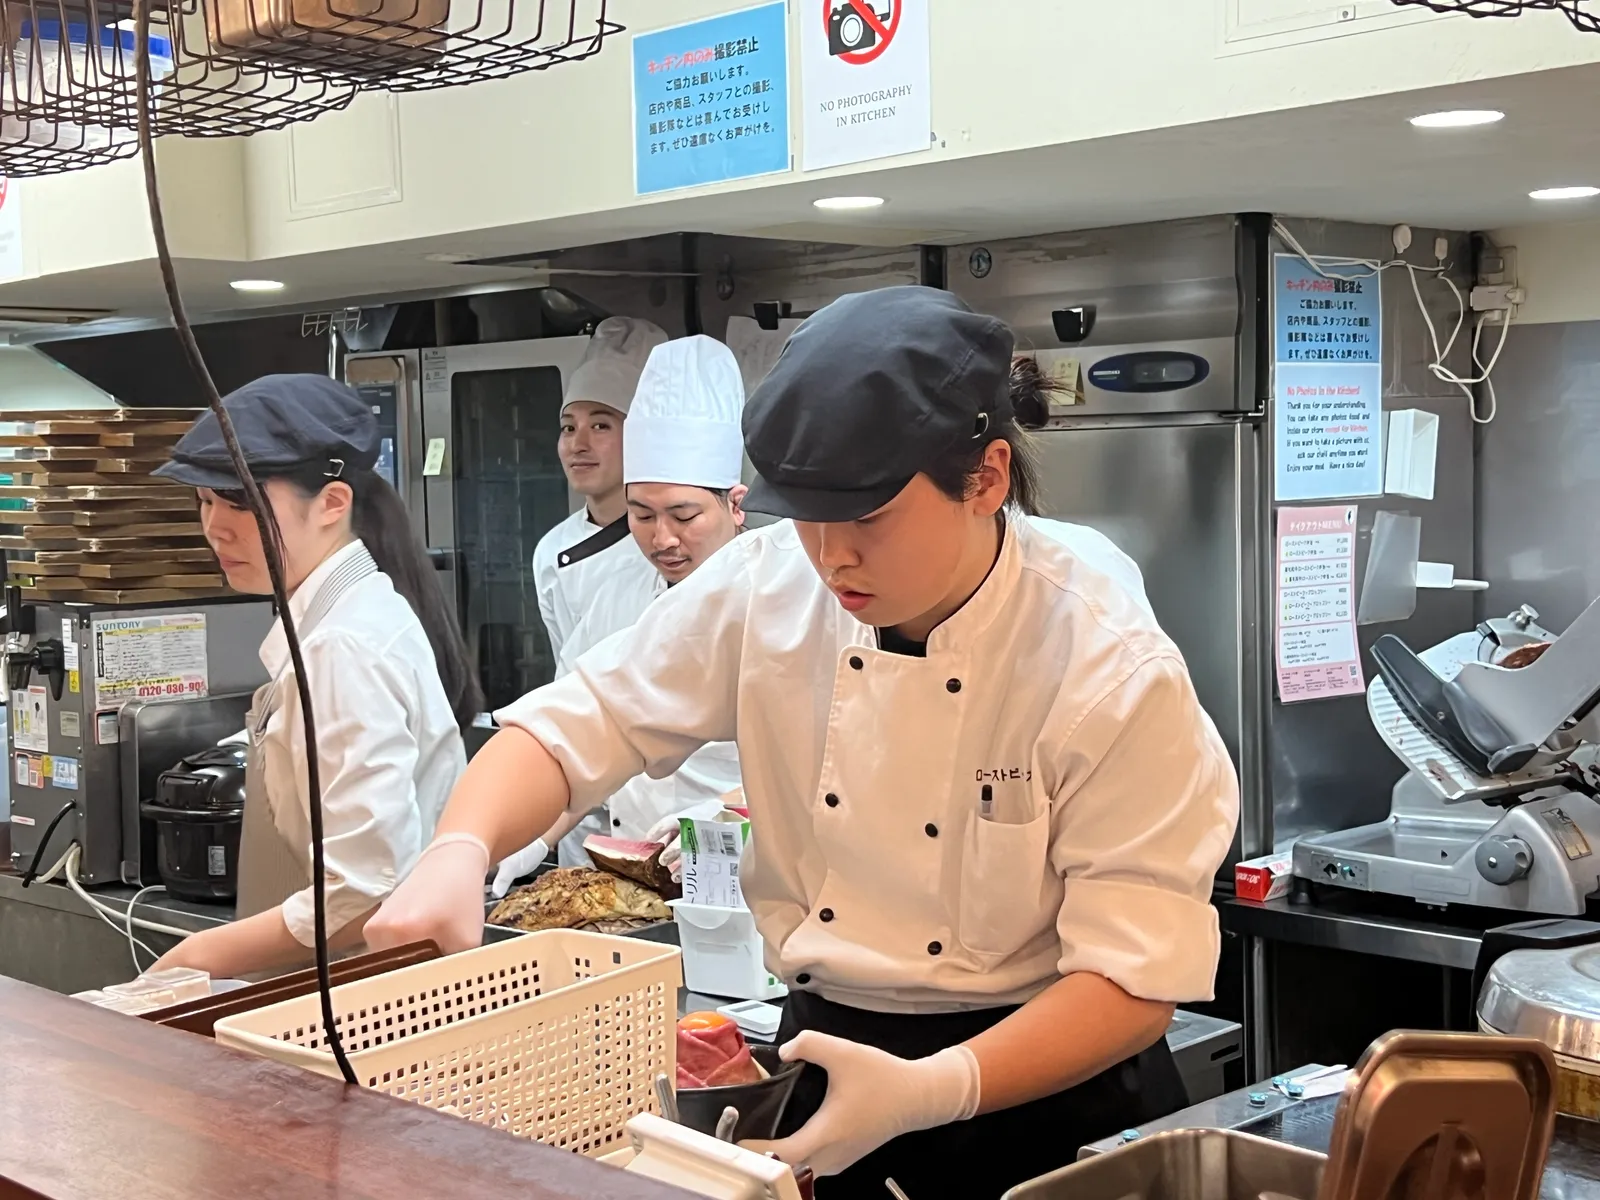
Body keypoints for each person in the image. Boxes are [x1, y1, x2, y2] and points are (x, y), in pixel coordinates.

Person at [368, 287, 1240, 1197]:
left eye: (865, 517)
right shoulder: (770, 585)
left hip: (1043, 1090)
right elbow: (584, 722)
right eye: (808, 514)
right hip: (829, 1056)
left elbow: (1136, 981)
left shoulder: (1102, 655)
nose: (830, 558)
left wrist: (930, 1090)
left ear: (984, 479)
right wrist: (460, 849)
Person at [151, 375, 475, 980]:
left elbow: (364, 889)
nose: (216, 527)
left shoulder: (341, 646)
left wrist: (196, 958)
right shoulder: (347, 615)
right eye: (204, 500)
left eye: (240, 501)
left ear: (332, 503)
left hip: (369, 994)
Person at [493, 336, 748, 894]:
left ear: (735, 503)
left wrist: (733, 813)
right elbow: (579, 738)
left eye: (684, 515)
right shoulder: (615, 594)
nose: (663, 539)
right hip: (625, 876)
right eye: (641, 515)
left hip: (746, 879)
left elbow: (827, 763)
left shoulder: (780, 595)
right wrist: (527, 837)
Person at [529, 315, 668, 867]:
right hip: (581, 812)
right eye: (568, 426)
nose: (578, 443)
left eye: (602, 425)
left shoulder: (680, 562)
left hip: (665, 810)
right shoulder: (551, 552)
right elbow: (571, 681)